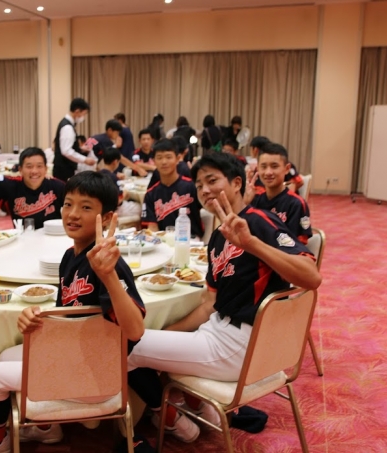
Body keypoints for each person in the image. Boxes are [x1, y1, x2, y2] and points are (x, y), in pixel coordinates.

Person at [127, 152, 322, 443]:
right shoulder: (219, 236)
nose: (204, 190)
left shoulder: (257, 221)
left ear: (236, 183)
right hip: (218, 332)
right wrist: (164, 332)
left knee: (124, 345)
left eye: (212, 181)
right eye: (199, 185)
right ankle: (202, 410)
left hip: (240, 344)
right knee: (144, 338)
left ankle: (169, 418)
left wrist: (252, 244)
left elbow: (312, 276)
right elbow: (209, 305)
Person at [0, 171, 145, 452]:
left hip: (97, 375)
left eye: (86, 207)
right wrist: (36, 320)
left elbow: (135, 330)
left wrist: (109, 277)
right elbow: (65, 317)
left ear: (106, 218)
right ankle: (46, 428)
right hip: (77, 357)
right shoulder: (70, 257)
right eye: (68, 204)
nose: (73, 214)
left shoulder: (108, 263)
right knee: (8, 354)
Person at [245, 143, 312, 244]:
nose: (268, 172)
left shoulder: (296, 204)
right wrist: (245, 204)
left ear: (287, 169)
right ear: (257, 168)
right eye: (263, 167)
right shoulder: (254, 199)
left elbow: (297, 247)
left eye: (274, 166)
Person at [142, 139, 204, 238]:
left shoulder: (191, 186)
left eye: (168, 157)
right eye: (159, 158)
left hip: (191, 240)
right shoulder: (151, 194)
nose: (164, 162)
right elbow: (152, 227)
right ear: (153, 161)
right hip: (163, 241)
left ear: (178, 159)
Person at [53, 98, 95, 181]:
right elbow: (66, 151)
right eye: (84, 114)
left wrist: (80, 149)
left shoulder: (67, 124)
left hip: (63, 168)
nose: (83, 117)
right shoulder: (67, 127)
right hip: (64, 170)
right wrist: (85, 160)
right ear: (77, 111)